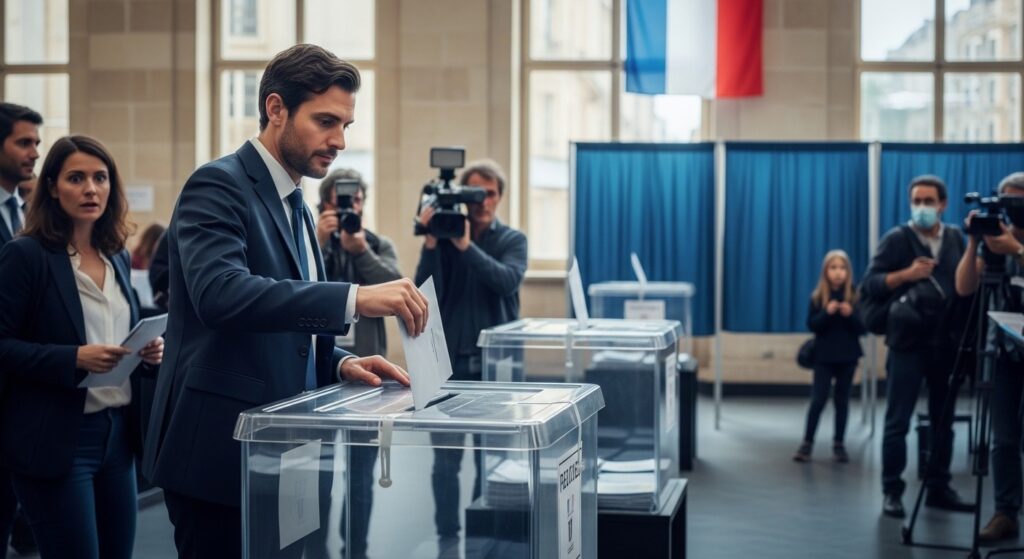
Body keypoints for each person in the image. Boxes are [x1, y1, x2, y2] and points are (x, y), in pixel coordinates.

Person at [142, 44, 428, 559]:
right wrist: (355, 297)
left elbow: (283, 322)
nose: (339, 141)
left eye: (346, 125)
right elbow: (221, 295)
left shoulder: (296, 201)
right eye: (325, 121)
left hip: (288, 448)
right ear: (276, 109)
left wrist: (338, 362)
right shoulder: (219, 184)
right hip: (221, 451)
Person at [0, 135, 165, 559]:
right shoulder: (26, 256)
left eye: (100, 178)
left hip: (117, 437)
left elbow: (119, 336)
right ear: (52, 187)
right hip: (56, 439)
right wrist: (71, 358)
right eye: (76, 178)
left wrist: (148, 354)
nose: (91, 189)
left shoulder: (117, 255)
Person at [414, 159, 527, 549]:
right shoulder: (442, 241)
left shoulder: (513, 240)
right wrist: (432, 243)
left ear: (499, 197)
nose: (482, 202)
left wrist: (466, 245)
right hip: (448, 366)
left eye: (490, 193)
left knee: (490, 458)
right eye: (474, 193)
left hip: (496, 368)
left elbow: (505, 280)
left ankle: (483, 534)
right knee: (445, 462)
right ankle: (447, 536)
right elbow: (425, 294)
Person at [303, 168, 402, 559]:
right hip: (319, 374)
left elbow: (395, 288)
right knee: (318, 474)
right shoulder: (308, 241)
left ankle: (356, 550)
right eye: (341, 200)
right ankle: (318, 551)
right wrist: (321, 241)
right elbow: (301, 289)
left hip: (368, 380)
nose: (349, 207)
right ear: (324, 202)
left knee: (361, 476)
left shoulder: (376, 243)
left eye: (356, 200)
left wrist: (360, 250)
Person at [862, 175, 970, 518]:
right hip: (907, 344)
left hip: (947, 344)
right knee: (897, 421)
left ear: (943, 204)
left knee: (944, 421)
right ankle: (891, 491)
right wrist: (904, 275)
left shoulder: (956, 238)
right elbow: (870, 284)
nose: (922, 206)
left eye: (929, 200)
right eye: (917, 200)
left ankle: (939, 485)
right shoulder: (897, 239)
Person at [955, 173, 1024, 542]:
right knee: (1004, 438)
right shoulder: (991, 244)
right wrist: (973, 244)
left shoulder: (1011, 246)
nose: (1012, 210)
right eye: (1006, 202)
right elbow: (964, 287)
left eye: (1019, 202)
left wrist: (1017, 251)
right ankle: (1005, 512)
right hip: (1001, 350)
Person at [0, 102, 41, 559]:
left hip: (26, 395)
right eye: (23, 142)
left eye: (36, 143)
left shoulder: (27, 213)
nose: (33, 153)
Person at [793, 250, 865, 463]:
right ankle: (807, 443)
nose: (838, 273)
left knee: (842, 401)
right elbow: (812, 325)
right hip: (823, 357)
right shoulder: (818, 297)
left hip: (848, 357)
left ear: (848, 272)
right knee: (818, 401)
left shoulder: (855, 296)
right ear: (826, 271)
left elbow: (863, 328)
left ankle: (839, 444)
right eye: (833, 268)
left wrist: (850, 315)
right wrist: (827, 312)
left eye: (842, 268)